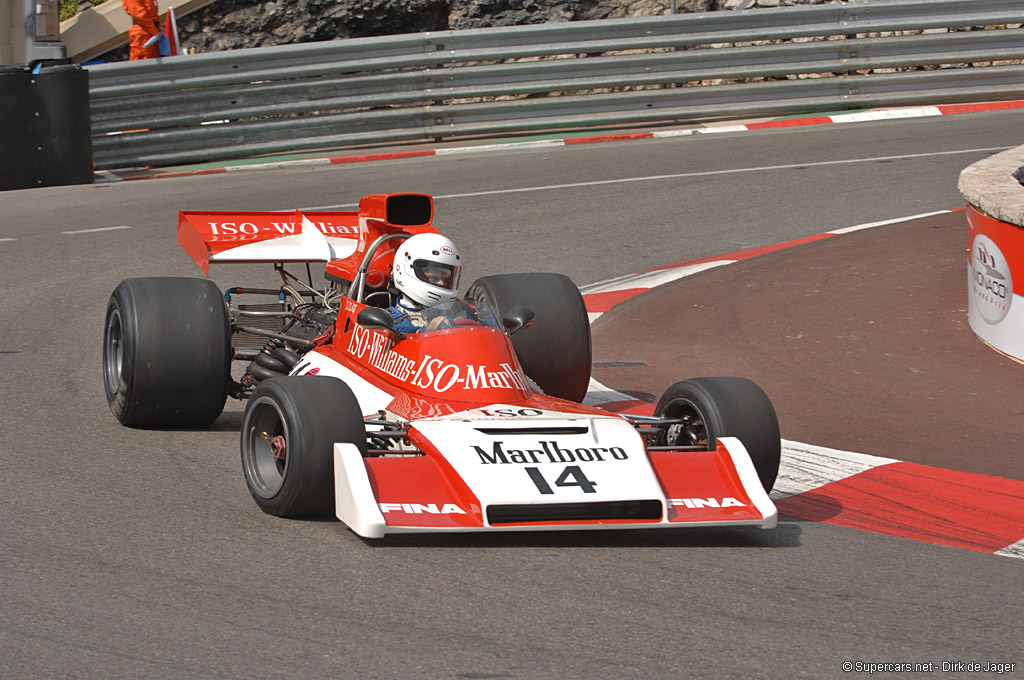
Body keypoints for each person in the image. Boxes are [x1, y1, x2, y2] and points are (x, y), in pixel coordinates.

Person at [388, 233, 465, 334]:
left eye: (446, 281)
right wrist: (424, 332)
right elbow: (399, 330)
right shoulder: (388, 320)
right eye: (434, 278)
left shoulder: (458, 313)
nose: (442, 283)